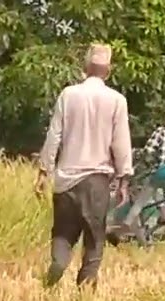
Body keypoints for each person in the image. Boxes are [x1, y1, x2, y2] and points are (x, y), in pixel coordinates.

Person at [34, 43, 133, 288]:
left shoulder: (68, 95)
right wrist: (124, 179)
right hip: (97, 181)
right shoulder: (116, 100)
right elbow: (121, 142)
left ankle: (58, 263)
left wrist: (44, 171)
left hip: (66, 180)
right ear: (108, 71)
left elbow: (54, 135)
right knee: (94, 238)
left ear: (85, 67)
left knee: (63, 234)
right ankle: (86, 287)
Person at [121, 105, 165, 230]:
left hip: (164, 169)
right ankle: (164, 214)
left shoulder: (161, 131)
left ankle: (126, 223)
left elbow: (148, 150)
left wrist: (137, 156)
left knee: (143, 196)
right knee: (158, 188)